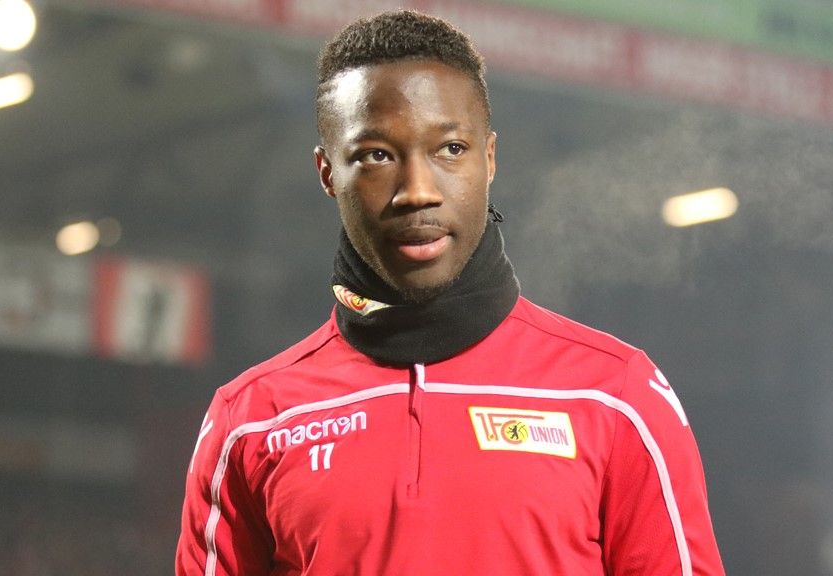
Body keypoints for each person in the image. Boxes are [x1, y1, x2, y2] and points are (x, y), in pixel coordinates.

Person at [177, 10, 725, 576]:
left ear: (489, 159)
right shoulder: (249, 421)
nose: (417, 191)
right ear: (326, 173)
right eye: (376, 156)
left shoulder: (618, 396)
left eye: (451, 150)